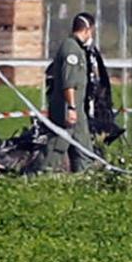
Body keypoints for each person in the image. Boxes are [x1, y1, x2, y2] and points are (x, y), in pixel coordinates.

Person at [43, 12, 95, 173]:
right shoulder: (71, 49)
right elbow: (68, 82)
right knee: (58, 143)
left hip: (77, 108)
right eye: (91, 31)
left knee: (83, 146)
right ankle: (43, 173)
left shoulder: (79, 49)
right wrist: (71, 107)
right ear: (86, 30)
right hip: (68, 107)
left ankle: (84, 176)